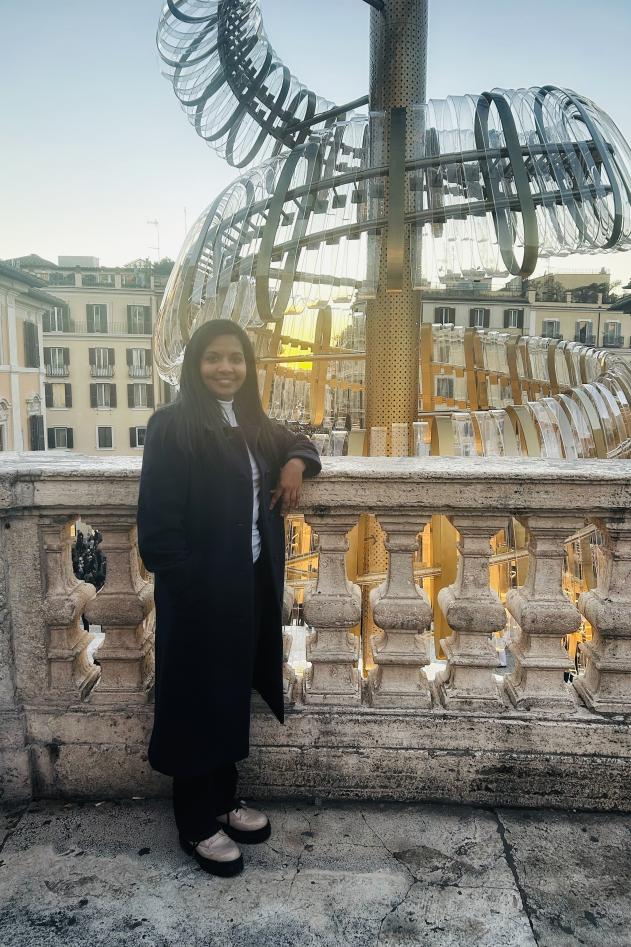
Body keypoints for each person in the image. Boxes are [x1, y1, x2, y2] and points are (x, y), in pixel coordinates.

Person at [137, 319, 321, 878]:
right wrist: (192, 587)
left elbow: (300, 440)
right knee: (196, 699)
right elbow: (159, 530)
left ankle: (223, 798)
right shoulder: (171, 427)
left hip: (246, 585)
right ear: (195, 364)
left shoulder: (251, 423)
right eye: (214, 358)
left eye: (236, 359)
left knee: (230, 693)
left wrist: (294, 465)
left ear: (248, 368)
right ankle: (194, 820)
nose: (226, 368)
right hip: (197, 594)